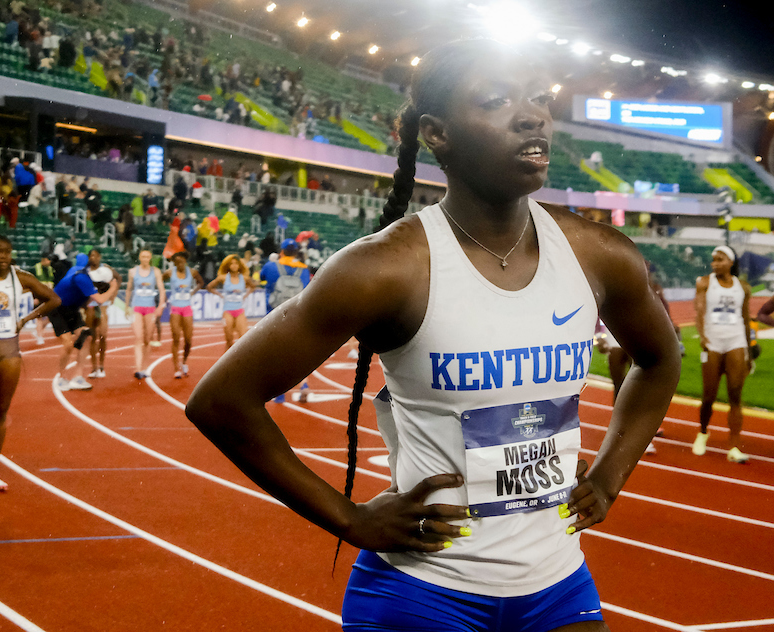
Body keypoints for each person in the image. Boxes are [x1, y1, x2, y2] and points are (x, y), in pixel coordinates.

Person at [185, 39, 680, 632]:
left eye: (541, 99)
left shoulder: (602, 256)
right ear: (437, 133)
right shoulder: (384, 269)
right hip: (423, 592)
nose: (533, 115)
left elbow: (660, 360)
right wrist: (351, 520)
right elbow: (220, 401)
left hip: (558, 583)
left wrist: (607, 476)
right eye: (498, 100)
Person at [0, 236, 60, 496]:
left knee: (2, 411)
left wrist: (25, 320)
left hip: (10, 351)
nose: (4, 256)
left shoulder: (21, 278)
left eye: (7, 251)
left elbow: (53, 300)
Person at [693, 245, 752, 463]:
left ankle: (734, 446)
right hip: (713, 341)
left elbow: (745, 317)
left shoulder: (743, 287)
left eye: (719, 259)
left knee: (735, 393)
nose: (714, 263)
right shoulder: (705, 283)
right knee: (709, 395)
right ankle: (703, 431)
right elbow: (699, 311)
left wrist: (749, 346)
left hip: (735, 339)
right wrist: (702, 336)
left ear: (731, 262)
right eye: (713, 260)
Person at [49, 253, 113, 391]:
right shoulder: (83, 278)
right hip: (57, 308)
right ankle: (61, 378)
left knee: (87, 337)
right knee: (68, 343)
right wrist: (113, 287)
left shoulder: (79, 269)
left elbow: (81, 256)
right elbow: (100, 300)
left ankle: (77, 377)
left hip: (71, 308)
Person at [126, 249, 167, 380]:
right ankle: (138, 369)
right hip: (137, 306)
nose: (145, 258)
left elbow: (161, 289)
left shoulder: (155, 272)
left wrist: (160, 306)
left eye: (147, 256)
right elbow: (128, 289)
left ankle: (144, 367)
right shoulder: (133, 271)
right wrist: (127, 306)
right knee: (138, 337)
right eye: (143, 256)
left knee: (147, 339)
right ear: (139, 257)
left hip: (150, 307)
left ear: (150, 258)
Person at [206, 254, 257, 351]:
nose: (234, 266)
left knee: (244, 338)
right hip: (228, 311)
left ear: (239, 265)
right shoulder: (223, 277)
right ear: (228, 266)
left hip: (239, 311)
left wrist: (245, 295)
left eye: (236, 264)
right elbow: (209, 287)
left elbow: (253, 286)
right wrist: (220, 295)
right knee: (229, 340)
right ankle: (226, 364)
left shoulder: (244, 278)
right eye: (231, 264)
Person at [165, 251, 204, 379]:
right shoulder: (170, 273)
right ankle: (176, 368)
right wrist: (164, 295)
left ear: (185, 261)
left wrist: (193, 292)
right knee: (176, 337)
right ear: (174, 263)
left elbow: (200, 282)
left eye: (182, 262)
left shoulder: (192, 272)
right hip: (175, 307)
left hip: (187, 308)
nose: (180, 264)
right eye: (177, 263)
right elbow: (159, 280)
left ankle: (184, 362)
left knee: (188, 340)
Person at [83, 249, 120, 379]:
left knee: (103, 335)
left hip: (103, 304)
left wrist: (113, 296)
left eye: (95, 255)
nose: (93, 258)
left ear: (99, 257)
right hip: (91, 305)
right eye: (91, 255)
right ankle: (94, 367)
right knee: (92, 336)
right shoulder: (86, 271)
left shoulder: (106, 270)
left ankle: (102, 365)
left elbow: (118, 278)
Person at [260, 239, 311, 309]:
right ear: (296, 252)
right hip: (295, 310)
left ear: (282, 251)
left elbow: (261, 277)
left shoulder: (269, 266)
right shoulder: (305, 270)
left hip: (273, 311)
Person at [32, 253, 56, 343]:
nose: (49, 262)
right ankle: (39, 336)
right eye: (48, 260)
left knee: (51, 317)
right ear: (43, 260)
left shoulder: (51, 269)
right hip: (39, 296)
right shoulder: (35, 269)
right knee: (39, 317)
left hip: (49, 296)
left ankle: (38, 331)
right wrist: (34, 297)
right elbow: (32, 284)